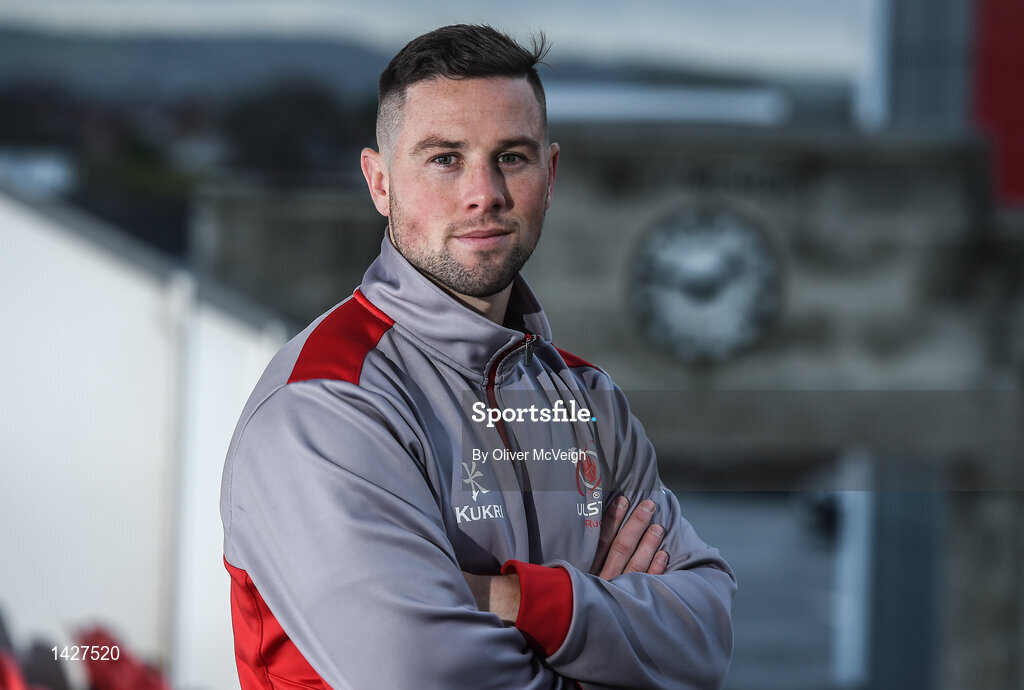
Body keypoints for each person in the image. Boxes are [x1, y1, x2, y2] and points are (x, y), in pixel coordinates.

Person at [221, 24, 735, 690]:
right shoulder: (325, 404)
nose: (484, 192)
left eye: (511, 157)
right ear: (379, 182)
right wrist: (608, 642)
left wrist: (508, 599)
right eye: (445, 158)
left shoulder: (589, 398)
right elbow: (424, 675)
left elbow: (705, 638)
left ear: (549, 177)